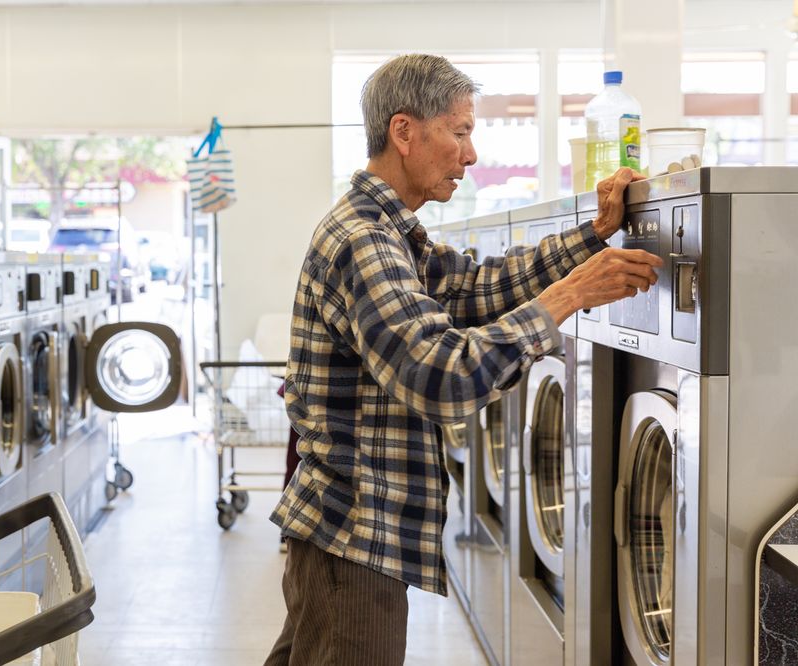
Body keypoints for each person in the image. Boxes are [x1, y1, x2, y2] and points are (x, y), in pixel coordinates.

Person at [262, 53, 663, 666]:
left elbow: (477, 288)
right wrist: (573, 294)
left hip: (345, 534)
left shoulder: (391, 232)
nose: (470, 155)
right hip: (353, 540)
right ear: (404, 131)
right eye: (460, 132)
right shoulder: (365, 240)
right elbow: (443, 374)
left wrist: (592, 237)